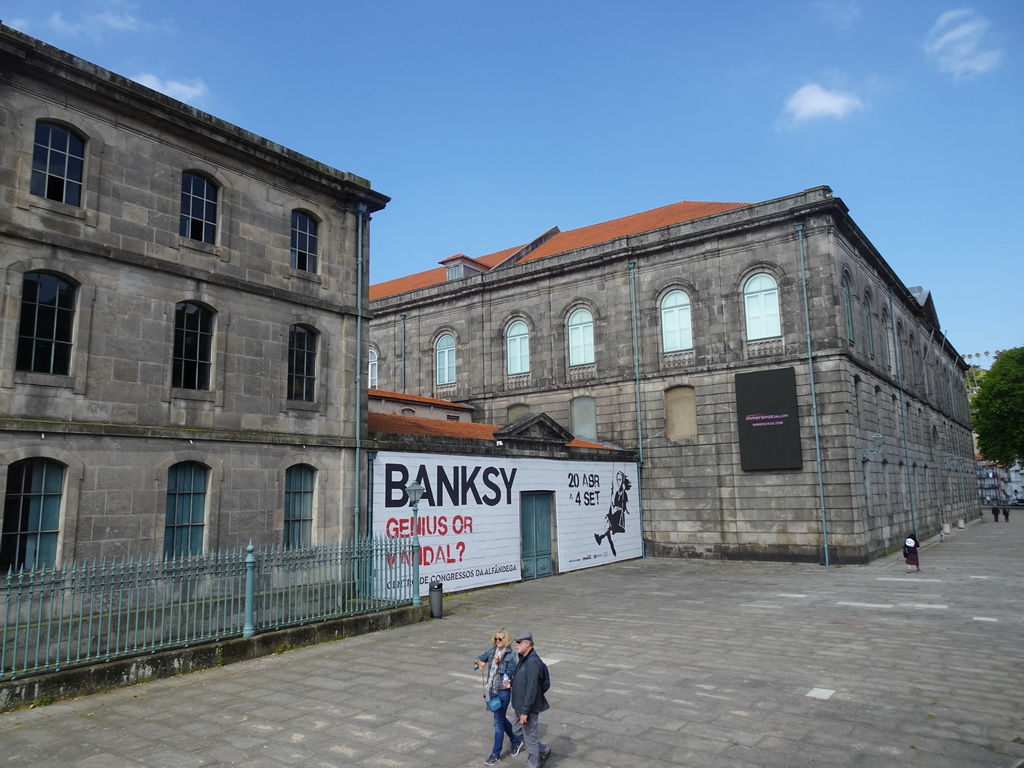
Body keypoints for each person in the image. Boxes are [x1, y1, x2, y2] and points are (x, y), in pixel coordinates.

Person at [474, 628, 522, 765]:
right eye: (496, 638)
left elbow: (511, 673)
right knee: (500, 719)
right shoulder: (492, 651)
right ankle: (516, 741)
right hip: (492, 690)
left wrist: (498, 664)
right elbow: (478, 658)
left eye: (500, 639)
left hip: (503, 691)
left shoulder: (511, 655)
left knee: (498, 723)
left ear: (506, 640)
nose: (497, 641)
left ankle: (495, 754)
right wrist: (479, 663)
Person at [510, 631, 551, 768]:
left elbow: (532, 688)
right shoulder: (523, 657)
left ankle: (533, 764)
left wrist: (525, 712)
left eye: (519, 642)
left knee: (530, 738)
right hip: (519, 705)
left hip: (528, 708)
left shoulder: (533, 662)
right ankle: (543, 749)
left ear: (528, 644)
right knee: (516, 730)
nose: (516, 645)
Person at [594, 471, 631, 556]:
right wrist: (611, 493)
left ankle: (600, 538)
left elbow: (627, 509)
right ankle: (610, 548)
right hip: (615, 516)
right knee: (608, 529)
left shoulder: (624, 494)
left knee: (608, 522)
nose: (618, 481)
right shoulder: (617, 493)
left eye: (620, 479)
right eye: (617, 479)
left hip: (619, 518)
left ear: (623, 481)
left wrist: (619, 507)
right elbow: (613, 505)